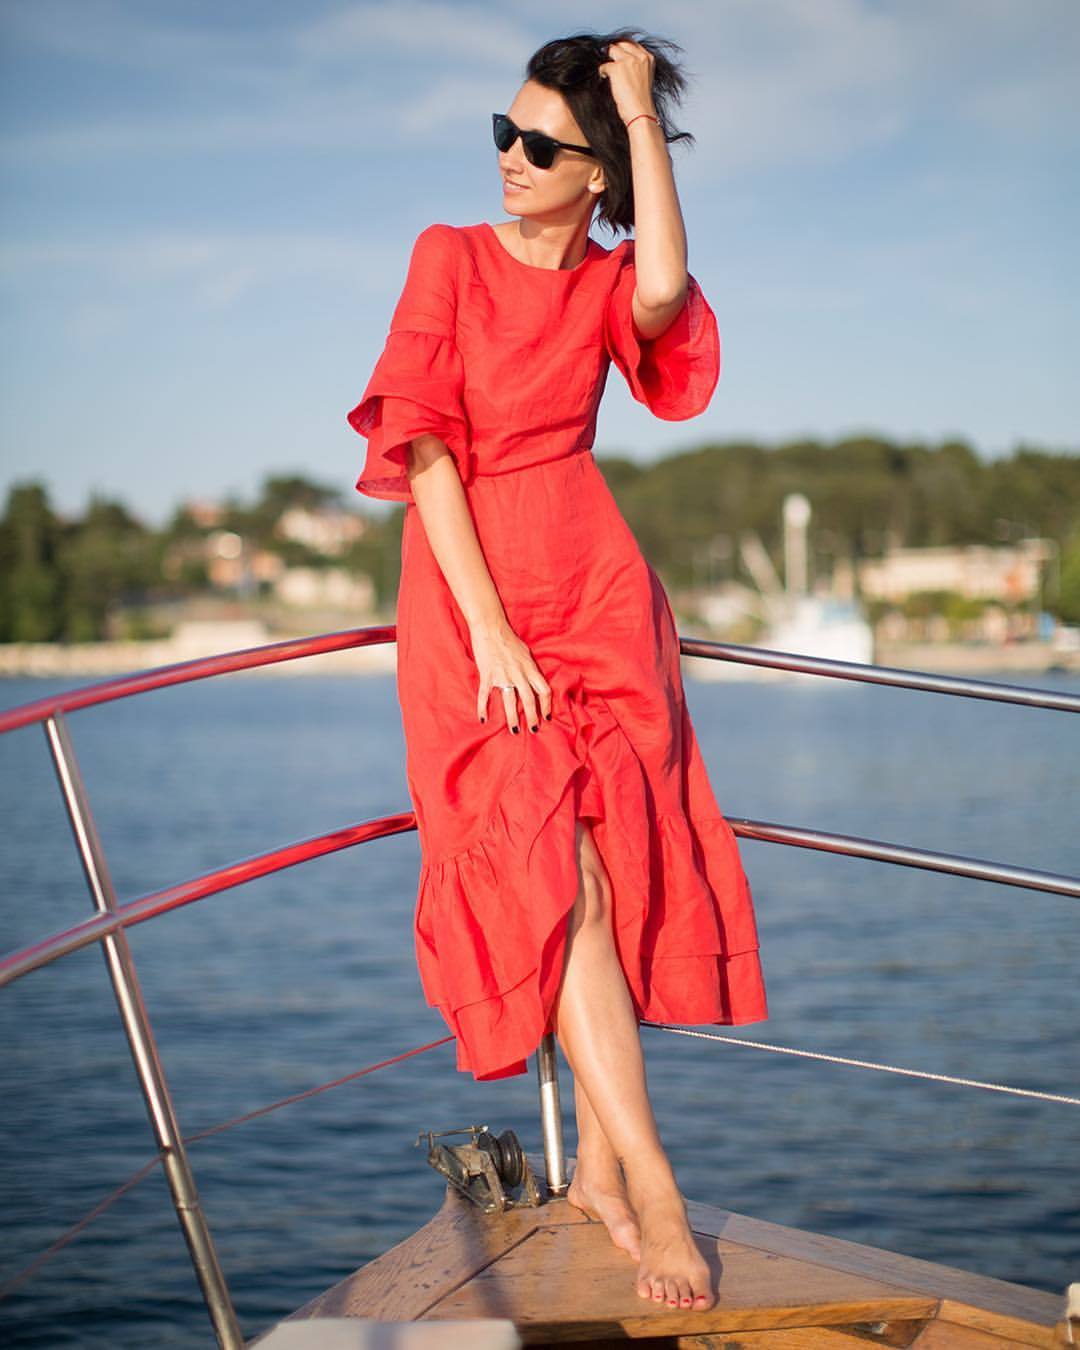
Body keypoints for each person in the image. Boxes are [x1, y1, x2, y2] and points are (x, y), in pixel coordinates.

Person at [347, 27, 768, 1314]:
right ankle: (658, 1186)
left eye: (541, 144)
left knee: (610, 870)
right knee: (559, 875)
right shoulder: (448, 255)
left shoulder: (606, 279)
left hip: (593, 589)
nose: (511, 158)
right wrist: (487, 631)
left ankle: (596, 1168)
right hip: (473, 601)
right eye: (505, 132)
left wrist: (641, 116)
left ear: (597, 174)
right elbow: (425, 452)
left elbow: (665, 292)